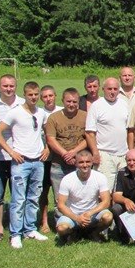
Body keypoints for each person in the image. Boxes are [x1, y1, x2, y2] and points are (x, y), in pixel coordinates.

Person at [0, 81, 50, 249]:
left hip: (38, 161)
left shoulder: (41, 113)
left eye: (36, 94)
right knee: (18, 199)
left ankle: (30, 229)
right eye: (30, 94)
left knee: (33, 197)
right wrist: (11, 152)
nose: (33, 97)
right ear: (25, 95)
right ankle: (15, 234)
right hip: (21, 161)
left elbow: (46, 132)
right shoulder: (15, 112)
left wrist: (46, 148)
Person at [44, 88, 87, 233]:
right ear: (62, 101)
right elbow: (50, 139)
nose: (72, 104)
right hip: (58, 164)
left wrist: (74, 152)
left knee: (81, 197)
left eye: (75, 101)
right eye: (68, 101)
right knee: (59, 199)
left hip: (80, 164)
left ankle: (82, 226)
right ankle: (62, 228)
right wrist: (64, 153)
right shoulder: (54, 118)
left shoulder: (85, 116)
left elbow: (89, 138)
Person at [0, 74, 24, 241]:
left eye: (11, 86)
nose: (8, 89)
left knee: (18, 194)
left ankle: (18, 225)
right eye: (5, 86)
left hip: (20, 157)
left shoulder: (23, 104)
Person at [55, 150, 114, 243]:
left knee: (108, 217)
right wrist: (77, 218)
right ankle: (74, 233)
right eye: (81, 162)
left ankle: (93, 233)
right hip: (73, 215)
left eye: (88, 162)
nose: (85, 165)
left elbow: (106, 201)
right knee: (62, 228)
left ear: (92, 162)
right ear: (76, 164)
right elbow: (61, 205)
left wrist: (89, 213)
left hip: (92, 215)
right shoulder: (67, 179)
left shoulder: (100, 177)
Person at [84, 77, 129, 190]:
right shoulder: (96, 106)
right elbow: (90, 133)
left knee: (121, 189)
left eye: (115, 89)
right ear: (103, 89)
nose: (112, 92)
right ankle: (104, 208)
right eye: (109, 89)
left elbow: (129, 130)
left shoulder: (124, 104)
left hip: (123, 154)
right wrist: (95, 153)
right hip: (105, 154)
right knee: (105, 190)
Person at [38, 85, 62, 234]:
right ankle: (44, 221)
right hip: (44, 159)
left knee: (60, 192)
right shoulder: (39, 113)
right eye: (45, 96)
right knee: (44, 192)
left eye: (51, 96)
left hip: (60, 158)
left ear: (55, 96)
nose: (48, 99)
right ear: (42, 98)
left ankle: (61, 220)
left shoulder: (61, 111)